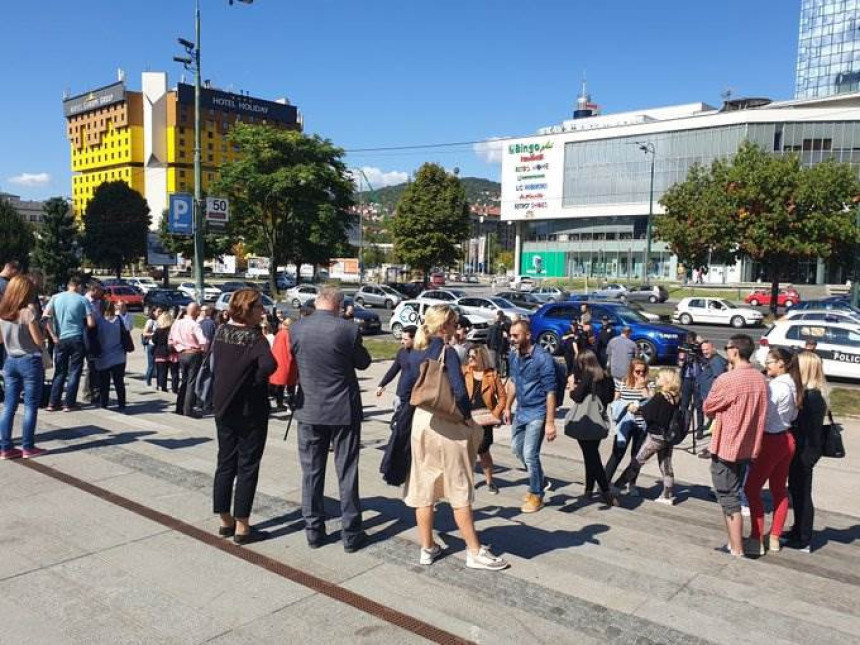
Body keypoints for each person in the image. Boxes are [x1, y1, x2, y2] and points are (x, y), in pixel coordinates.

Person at [403, 305, 508, 570]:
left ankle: (427, 548)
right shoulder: (446, 352)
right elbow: (460, 393)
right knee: (459, 486)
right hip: (447, 424)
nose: (457, 329)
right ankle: (474, 551)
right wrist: (467, 418)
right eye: (454, 324)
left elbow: (404, 390)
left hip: (421, 423)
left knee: (424, 488)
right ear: (444, 326)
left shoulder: (414, 353)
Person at [290, 287, 371, 552]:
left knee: (311, 472)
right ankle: (351, 533)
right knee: (346, 471)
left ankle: (313, 530)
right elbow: (364, 363)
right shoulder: (347, 330)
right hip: (343, 411)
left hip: (310, 408)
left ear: (316, 302)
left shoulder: (297, 328)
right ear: (338, 305)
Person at [211, 289, 277, 544]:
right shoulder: (254, 337)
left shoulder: (222, 331)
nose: (263, 311)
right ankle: (242, 525)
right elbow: (270, 365)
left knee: (225, 462)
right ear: (248, 309)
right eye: (260, 306)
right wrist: (256, 382)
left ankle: (224, 520)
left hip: (223, 406)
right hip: (250, 410)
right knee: (247, 465)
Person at [703, 335, 769, 557]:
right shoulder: (760, 378)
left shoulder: (727, 379)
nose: (726, 351)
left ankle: (737, 549)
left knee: (728, 498)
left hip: (727, 446)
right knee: (733, 494)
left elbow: (708, 406)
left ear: (734, 351)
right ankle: (733, 543)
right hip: (749, 446)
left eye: (727, 347)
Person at [743, 347, 802, 556]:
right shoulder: (793, 384)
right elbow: (793, 416)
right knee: (779, 489)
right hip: (786, 438)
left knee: (751, 489)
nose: (765, 365)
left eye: (770, 361)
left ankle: (756, 536)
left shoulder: (777, 387)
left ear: (781, 364)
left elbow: (764, 416)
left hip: (771, 440)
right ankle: (774, 536)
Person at [503, 319, 557, 513]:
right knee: (516, 449)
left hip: (538, 411)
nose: (512, 339)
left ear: (528, 335)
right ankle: (540, 480)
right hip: (521, 410)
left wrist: (550, 422)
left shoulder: (542, 358)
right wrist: (507, 407)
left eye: (516, 336)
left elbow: (551, 391)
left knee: (530, 455)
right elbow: (513, 383)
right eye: (511, 335)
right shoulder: (514, 356)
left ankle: (536, 494)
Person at [614, 368, 681, 504]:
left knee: (637, 461)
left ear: (667, 380)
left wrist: (635, 408)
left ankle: (617, 486)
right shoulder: (676, 396)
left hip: (655, 436)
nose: (657, 379)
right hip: (668, 437)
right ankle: (667, 495)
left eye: (660, 377)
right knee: (666, 464)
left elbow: (648, 413)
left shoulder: (660, 396)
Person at [785, 351, 828, 553]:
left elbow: (806, 428)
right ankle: (798, 529)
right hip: (805, 449)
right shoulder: (811, 394)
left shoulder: (812, 397)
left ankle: (803, 537)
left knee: (802, 493)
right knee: (796, 490)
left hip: (806, 451)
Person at [0, 275, 47, 459]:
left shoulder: (4, 312)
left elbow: (1, 339)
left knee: (9, 405)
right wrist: (41, 329)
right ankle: (28, 446)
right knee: (30, 405)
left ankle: (6, 447)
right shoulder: (28, 312)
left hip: (10, 360)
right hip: (30, 361)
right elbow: (39, 342)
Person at [567, 349, 618, 506]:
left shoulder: (588, 376)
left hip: (586, 421)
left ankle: (605, 490)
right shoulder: (606, 376)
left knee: (591, 457)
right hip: (598, 419)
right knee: (591, 454)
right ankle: (589, 489)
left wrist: (571, 387)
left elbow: (577, 397)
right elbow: (609, 397)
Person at [44, 276, 95, 412]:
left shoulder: (55, 298)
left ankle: (53, 402)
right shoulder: (83, 300)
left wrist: (53, 336)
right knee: (75, 371)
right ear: (78, 286)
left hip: (60, 338)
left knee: (60, 371)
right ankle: (69, 403)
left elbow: (46, 317)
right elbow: (91, 323)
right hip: (77, 338)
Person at [463, 345, 507, 494]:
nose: (469, 359)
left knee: (483, 449)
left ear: (481, 357)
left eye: (473, 357)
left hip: (486, 418)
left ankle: (489, 481)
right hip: (468, 417)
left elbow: (502, 397)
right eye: (468, 356)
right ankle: (468, 481)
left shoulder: (492, 375)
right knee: (468, 451)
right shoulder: (465, 372)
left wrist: (496, 413)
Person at [604, 358, 651, 489]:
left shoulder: (648, 384)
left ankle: (632, 484)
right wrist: (625, 405)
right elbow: (614, 402)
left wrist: (643, 388)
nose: (641, 374)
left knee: (636, 457)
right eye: (637, 371)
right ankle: (605, 482)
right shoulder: (622, 383)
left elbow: (651, 404)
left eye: (643, 371)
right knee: (617, 453)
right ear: (631, 371)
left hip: (641, 425)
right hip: (624, 423)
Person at [169, 302, 208, 417]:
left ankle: (179, 407)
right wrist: (204, 351)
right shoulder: (194, 325)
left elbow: (171, 339)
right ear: (195, 311)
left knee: (184, 381)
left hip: (181, 353)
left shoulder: (177, 323)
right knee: (191, 382)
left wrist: (178, 347)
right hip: (193, 353)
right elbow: (203, 341)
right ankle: (188, 410)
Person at [695, 340, 729, 456]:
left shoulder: (717, 361)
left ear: (713, 348)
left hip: (712, 396)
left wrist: (713, 396)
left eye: (707, 349)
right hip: (706, 394)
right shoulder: (711, 359)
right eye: (703, 350)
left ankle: (713, 449)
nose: (705, 352)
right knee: (713, 423)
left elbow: (718, 379)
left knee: (716, 424)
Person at [95, 301, 128, 411]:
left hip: (103, 356)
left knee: (104, 383)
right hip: (118, 355)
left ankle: (104, 403)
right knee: (119, 382)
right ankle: (122, 404)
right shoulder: (119, 319)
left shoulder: (99, 321)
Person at [376, 325, 416, 413]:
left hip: (416, 397)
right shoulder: (402, 352)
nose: (402, 342)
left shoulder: (421, 355)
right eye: (402, 339)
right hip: (401, 395)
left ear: (414, 339)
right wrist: (382, 384)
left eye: (405, 340)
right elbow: (393, 370)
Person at [269, 318, 297, 410]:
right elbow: (290, 349)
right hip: (287, 362)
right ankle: (290, 403)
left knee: (280, 385)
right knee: (290, 385)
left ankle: (279, 403)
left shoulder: (279, 333)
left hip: (278, 362)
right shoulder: (288, 334)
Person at [153, 312, 179, 393]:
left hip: (161, 353)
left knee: (162, 372)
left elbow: (154, 341)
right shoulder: (173, 330)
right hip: (172, 352)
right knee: (174, 372)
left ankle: (162, 387)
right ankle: (175, 388)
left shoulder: (158, 330)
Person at [141, 307, 162, 388]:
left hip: (159, 345)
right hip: (152, 345)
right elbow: (145, 333)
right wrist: (154, 334)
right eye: (158, 311)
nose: (160, 313)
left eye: (161, 311)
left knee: (158, 365)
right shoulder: (151, 321)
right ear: (153, 312)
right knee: (151, 365)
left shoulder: (160, 321)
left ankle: (158, 384)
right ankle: (148, 382)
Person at [485, 310, 509, 375]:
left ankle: (496, 373)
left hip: (492, 346)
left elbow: (488, 339)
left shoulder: (491, 327)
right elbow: (506, 338)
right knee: (500, 360)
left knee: (494, 361)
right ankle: (501, 373)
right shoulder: (504, 328)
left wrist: (488, 345)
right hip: (501, 346)